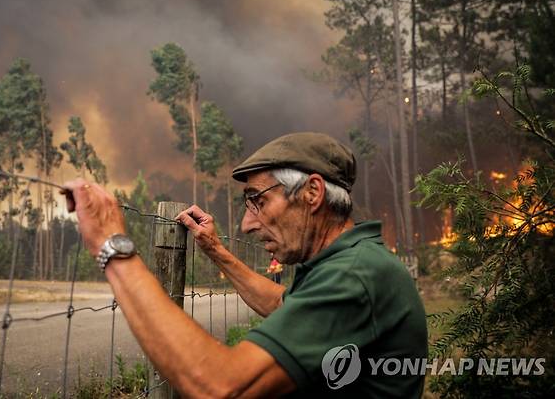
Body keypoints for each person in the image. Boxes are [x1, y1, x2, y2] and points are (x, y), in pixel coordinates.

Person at [62, 132, 427, 398]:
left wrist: (114, 248)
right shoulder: (346, 260)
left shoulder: (354, 276)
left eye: (258, 201)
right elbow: (284, 305)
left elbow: (222, 386)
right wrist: (217, 251)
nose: (247, 224)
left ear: (313, 193)